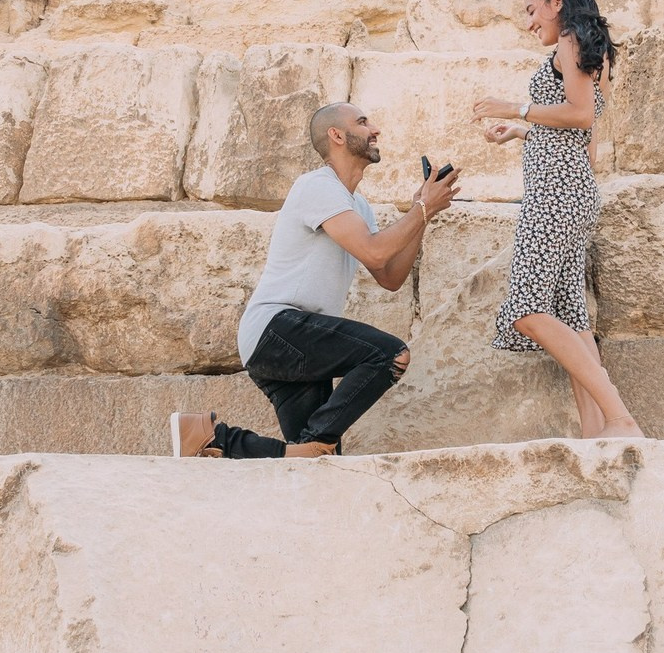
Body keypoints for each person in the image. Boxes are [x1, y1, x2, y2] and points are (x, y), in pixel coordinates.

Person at [171, 103, 460, 459]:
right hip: (279, 329)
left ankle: (210, 438)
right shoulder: (317, 186)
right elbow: (373, 252)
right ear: (336, 135)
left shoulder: (358, 206)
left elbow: (390, 276)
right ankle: (303, 445)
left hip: (298, 343)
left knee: (315, 464)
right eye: (363, 122)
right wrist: (422, 209)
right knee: (390, 355)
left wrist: (422, 212)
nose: (376, 129)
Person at [472, 0, 644, 440]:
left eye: (531, 10)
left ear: (557, 2)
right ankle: (596, 431)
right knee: (570, 315)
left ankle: (621, 418)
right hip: (573, 187)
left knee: (527, 308)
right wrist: (525, 133)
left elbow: (581, 114)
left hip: (555, 194)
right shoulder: (592, 48)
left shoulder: (570, 43)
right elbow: (581, 134)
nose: (530, 23)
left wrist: (515, 108)